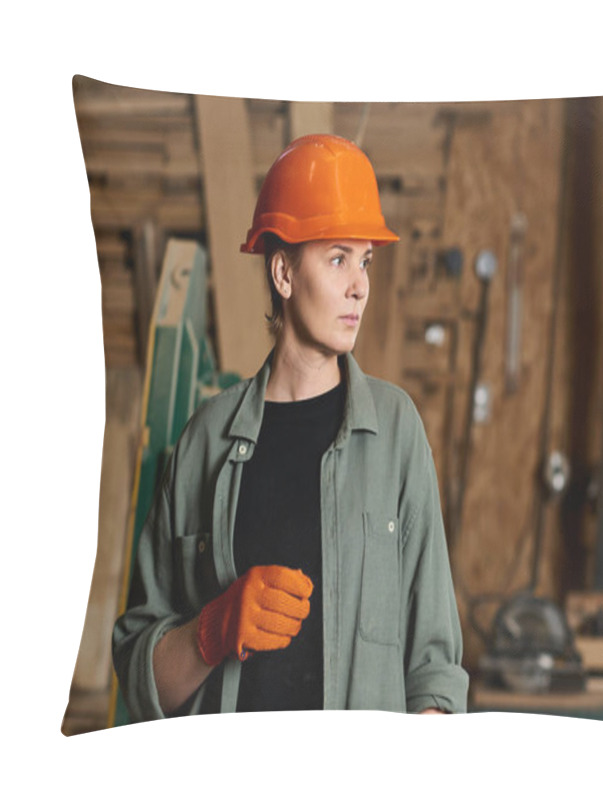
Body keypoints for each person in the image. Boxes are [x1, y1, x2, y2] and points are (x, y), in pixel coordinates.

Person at [112, 134, 469, 720]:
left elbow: (434, 675)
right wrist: (211, 632)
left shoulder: (397, 434)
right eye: (337, 258)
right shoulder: (204, 442)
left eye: (366, 260)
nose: (360, 284)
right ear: (282, 272)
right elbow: (138, 675)